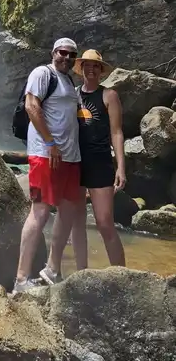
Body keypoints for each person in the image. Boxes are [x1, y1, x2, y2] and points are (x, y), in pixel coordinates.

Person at [13, 37, 81, 294]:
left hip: (69, 157)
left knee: (68, 210)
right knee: (40, 212)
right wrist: (50, 142)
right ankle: (21, 279)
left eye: (72, 55)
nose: (67, 58)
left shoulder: (68, 81)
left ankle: (52, 269)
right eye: (63, 52)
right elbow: (32, 106)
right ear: (54, 52)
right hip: (45, 154)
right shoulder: (43, 73)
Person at [70, 49, 126, 268]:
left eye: (95, 66)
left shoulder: (109, 95)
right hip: (76, 164)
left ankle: (120, 274)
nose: (91, 69)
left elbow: (117, 132)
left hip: (100, 164)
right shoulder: (73, 95)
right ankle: (81, 273)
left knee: (104, 223)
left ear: (101, 70)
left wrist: (121, 167)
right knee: (77, 223)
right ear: (81, 68)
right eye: (87, 65)